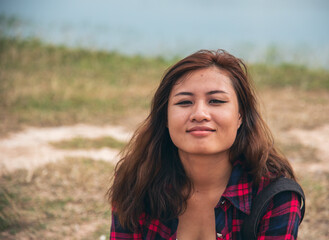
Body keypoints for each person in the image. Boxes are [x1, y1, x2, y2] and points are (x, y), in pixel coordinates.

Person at [108, 49, 303, 239]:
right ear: (165, 118)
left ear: (240, 116)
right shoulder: (137, 179)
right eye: (184, 102)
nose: (199, 114)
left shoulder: (275, 196)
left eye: (216, 101)